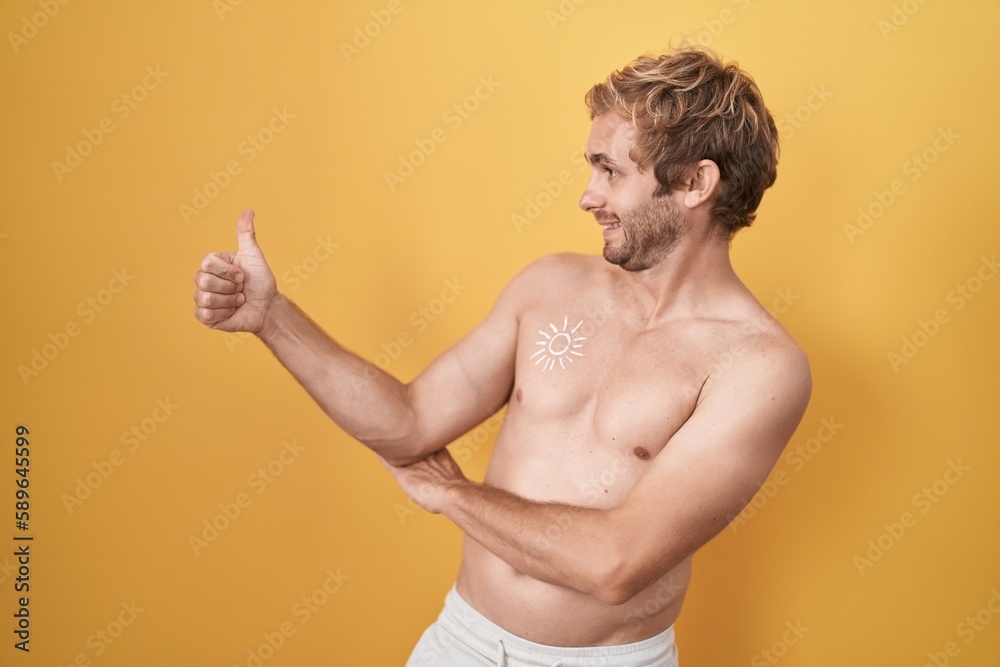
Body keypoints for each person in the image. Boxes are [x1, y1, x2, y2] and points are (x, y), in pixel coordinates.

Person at [192, 45, 811, 667]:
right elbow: (408, 423)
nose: (586, 196)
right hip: (459, 642)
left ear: (694, 183)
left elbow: (615, 564)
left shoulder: (756, 366)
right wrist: (273, 319)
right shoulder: (549, 287)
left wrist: (455, 495)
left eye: (611, 172)